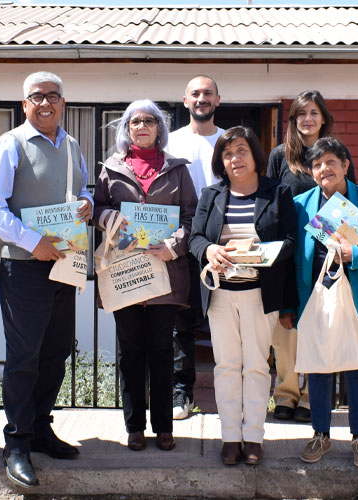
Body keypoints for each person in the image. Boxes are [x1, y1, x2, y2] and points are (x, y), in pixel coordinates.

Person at [0, 71, 93, 488]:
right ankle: (17, 443)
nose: (45, 103)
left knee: (57, 348)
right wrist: (32, 241)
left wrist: (88, 203)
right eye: (37, 97)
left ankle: (40, 428)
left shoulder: (72, 144)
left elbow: (80, 191)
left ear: (64, 102)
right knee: (25, 356)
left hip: (64, 262)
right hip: (25, 265)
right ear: (24, 104)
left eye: (53, 96)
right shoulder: (9, 145)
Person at [283, 137, 358, 469]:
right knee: (319, 368)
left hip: (356, 296)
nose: (324, 169)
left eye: (331, 162)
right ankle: (320, 434)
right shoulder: (301, 203)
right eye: (317, 165)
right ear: (311, 171)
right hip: (317, 295)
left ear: (346, 165)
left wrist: (355, 253)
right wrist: (289, 306)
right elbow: (294, 259)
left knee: (356, 368)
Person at [92, 99, 198, 452]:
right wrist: (110, 221)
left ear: (159, 128)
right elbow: (99, 207)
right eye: (134, 121)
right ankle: (134, 426)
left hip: (164, 272)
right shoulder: (111, 168)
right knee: (131, 351)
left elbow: (191, 217)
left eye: (149, 120)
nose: (141, 126)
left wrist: (173, 244)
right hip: (125, 272)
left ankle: (164, 426)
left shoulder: (178, 169)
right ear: (126, 128)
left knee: (161, 350)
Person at [189, 126, 296, 466]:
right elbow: (194, 238)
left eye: (241, 151)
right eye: (227, 153)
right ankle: (230, 437)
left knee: (256, 366)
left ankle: (254, 438)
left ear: (255, 155)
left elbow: (291, 241)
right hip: (220, 294)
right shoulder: (212, 194)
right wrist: (209, 252)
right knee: (226, 366)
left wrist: (261, 252)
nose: (234, 158)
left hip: (258, 294)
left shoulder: (277, 193)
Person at [264, 90, 354, 423]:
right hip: (287, 252)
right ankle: (286, 393)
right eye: (301, 113)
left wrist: (333, 244)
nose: (308, 119)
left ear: (323, 118)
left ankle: (309, 397)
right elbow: (269, 204)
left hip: (322, 253)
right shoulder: (278, 156)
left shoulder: (337, 155)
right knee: (285, 326)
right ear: (292, 121)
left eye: (314, 113)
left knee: (318, 323)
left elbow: (347, 206)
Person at [164, 75, 225, 421]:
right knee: (181, 324)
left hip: (222, 245)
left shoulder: (229, 141)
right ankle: (180, 394)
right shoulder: (170, 143)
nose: (201, 99)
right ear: (184, 101)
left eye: (207, 94)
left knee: (226, 322)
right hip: (181, 243)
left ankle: (234, 396)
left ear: (218, 100)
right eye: (195, 94)